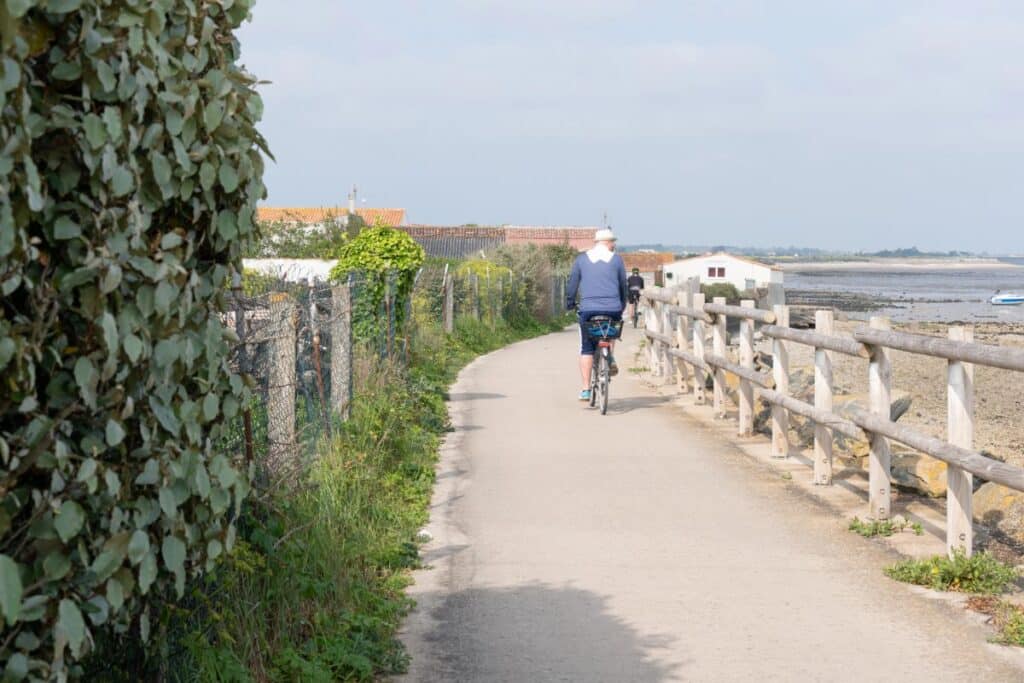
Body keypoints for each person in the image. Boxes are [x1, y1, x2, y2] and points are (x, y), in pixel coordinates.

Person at [565, 228, 628, 401]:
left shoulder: (582, 259)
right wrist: (621, 305)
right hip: (612, 308)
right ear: (608, 243)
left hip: (589, 309)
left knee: (586, 348)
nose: (614, 245)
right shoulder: (616, 260)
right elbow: (623, 285)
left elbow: (572, 285)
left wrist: (570, 303)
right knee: (610, 331)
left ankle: (585, 389)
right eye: (613, 242)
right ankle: (610, 357)